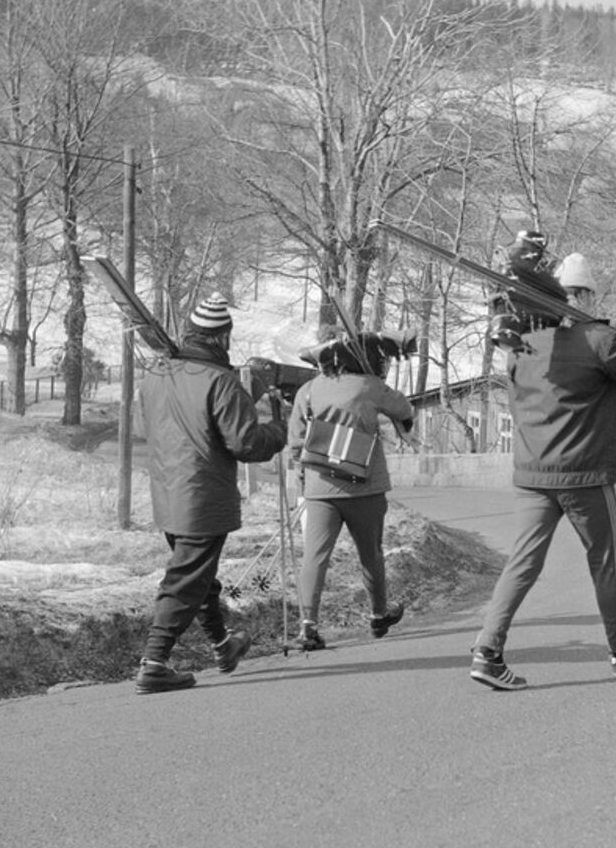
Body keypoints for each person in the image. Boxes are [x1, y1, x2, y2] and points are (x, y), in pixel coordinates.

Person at [469, 274, 616, 690]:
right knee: (604, 561)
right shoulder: (598, 340)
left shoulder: (521, 349)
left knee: (522, 564)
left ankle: (488, 651)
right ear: (578, 300)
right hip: (585, 474)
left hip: (533, 474)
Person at [135, 292, 288, 694]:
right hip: (202, 497)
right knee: (186, 580)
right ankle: (155, 662)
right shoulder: (220, 381)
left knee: (199, 575)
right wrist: (278, 428)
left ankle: (223, 645)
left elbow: (145, 425)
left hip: (167, 492)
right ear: (222, 338)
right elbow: (247, 444)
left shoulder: (157, 374)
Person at [287, 334, 416, 651]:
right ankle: (378, 613)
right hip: (365, 486)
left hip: (319, 486)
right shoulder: (369, 386)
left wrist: (302, 479)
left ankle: (308, 627)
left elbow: (295, 441)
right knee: (370, 553)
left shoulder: (310, 389)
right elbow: (403, 409)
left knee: (315, 558)